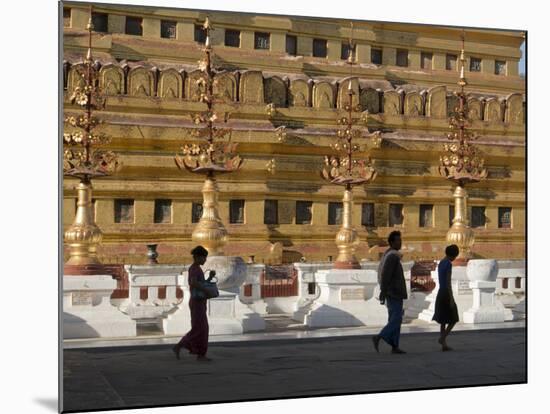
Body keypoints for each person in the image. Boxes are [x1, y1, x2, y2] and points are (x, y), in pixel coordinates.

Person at [172, 245, 216, 362]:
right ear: (197, 257)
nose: (205, 260)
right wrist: (207, 291)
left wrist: (209, 278)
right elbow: (194, 283)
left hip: (200, 301)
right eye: (203, 258)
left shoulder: (197, 268)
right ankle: (181, 346)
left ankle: (200, 354)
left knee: (201, 328)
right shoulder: (194, 269)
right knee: (199, 328)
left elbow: (200, 284)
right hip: (197, 302)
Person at [372, 231, 408, 354]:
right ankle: (380, 336)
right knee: (396, 319)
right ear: (392, 242)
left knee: (394, 319)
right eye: (397, 240)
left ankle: (395, 345)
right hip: (393, 292)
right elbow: (386, 275)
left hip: (393, 291)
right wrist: (383, 291)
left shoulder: (389, 254)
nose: (400, 242)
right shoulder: (392, 256)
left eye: (400, 240)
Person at [433, 244, 460, 351]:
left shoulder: (441, 263)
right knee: (454, 318)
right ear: (453, 255)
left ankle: (444, 344)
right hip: (446, 293)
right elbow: (448, 282)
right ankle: (442, 338)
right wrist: (452, 298)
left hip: (441, 292)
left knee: (444, 319)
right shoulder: (448, 264)